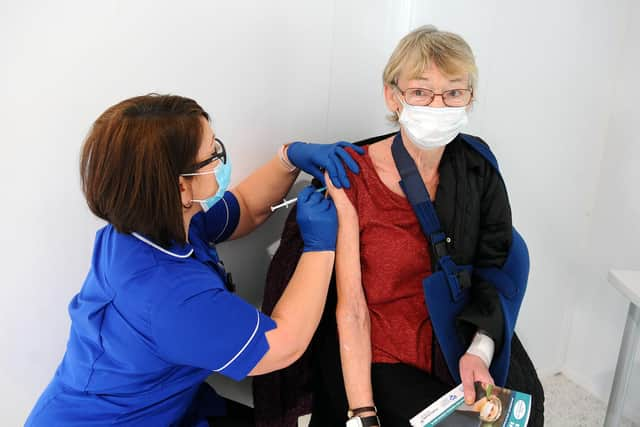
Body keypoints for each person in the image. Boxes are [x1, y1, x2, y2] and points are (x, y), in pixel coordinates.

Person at [25, 94, 364, 426]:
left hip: (154, 406)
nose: (221, 161)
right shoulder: (170, 296)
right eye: (212, 155)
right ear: (181, 187)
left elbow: (244, 206)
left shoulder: (155, 225)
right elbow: (284, 344)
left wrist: (287, 159)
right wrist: (320, 245)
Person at [310, 26, 524, 427]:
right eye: (422, 91)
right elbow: (351, 308)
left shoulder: (477, 167)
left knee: (521, 412)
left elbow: (493, 267)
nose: (439, 106)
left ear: (470, 98)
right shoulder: (353, 179)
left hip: (453, 331)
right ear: (393, 95)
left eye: (454, 92)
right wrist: (362, 413)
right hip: (380, 350)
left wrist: (479, 348)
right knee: (461, 425)